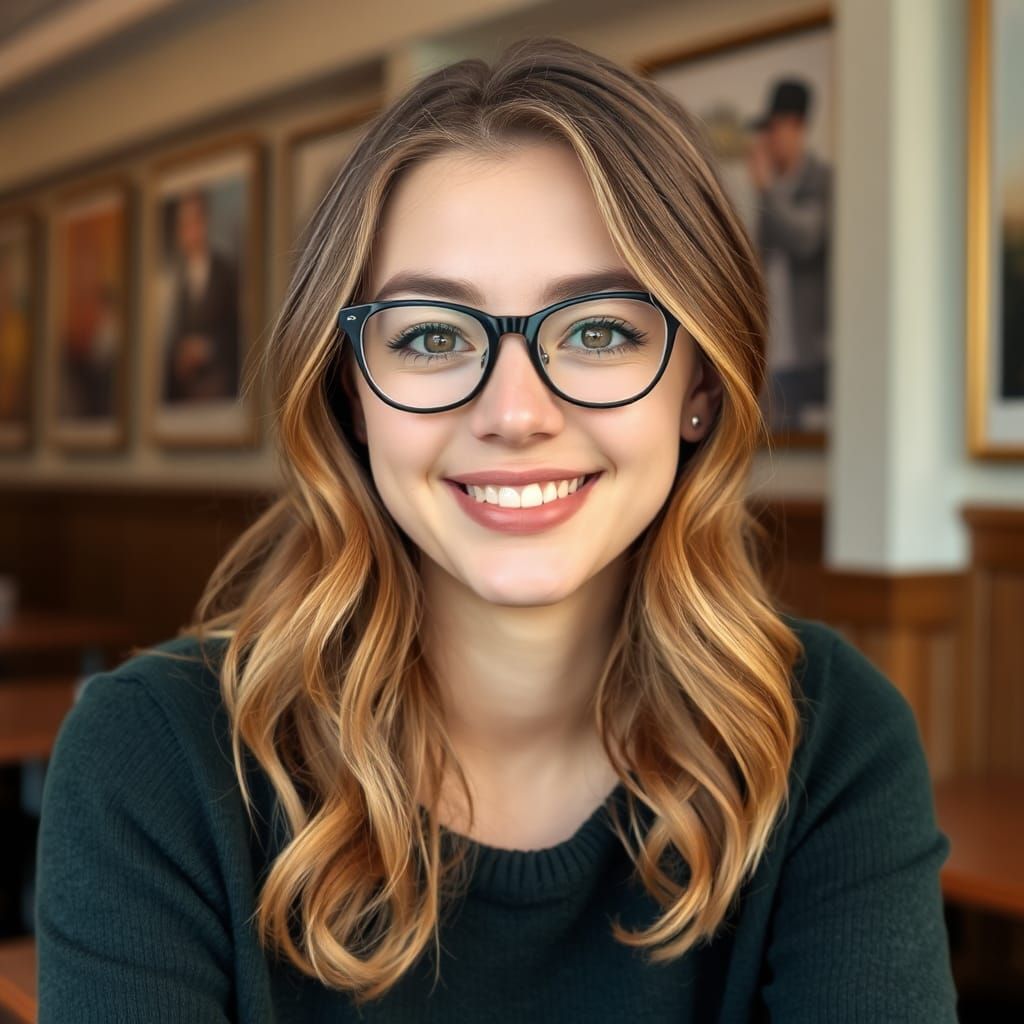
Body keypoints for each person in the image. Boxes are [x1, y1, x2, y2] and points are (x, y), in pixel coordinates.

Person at [35, 37, 958, 1021]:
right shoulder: (153, 758)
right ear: (352, 391)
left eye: (598, 329)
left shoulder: (828, 741)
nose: (514, 412)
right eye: (431, 334)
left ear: (697, 382)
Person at [746, 77, 832, 434]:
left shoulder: (823, 181)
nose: (767, 140)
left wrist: (767, 189)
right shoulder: (774, 191)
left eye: (774, 128)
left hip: (813, 354)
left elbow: (806, 239)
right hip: (774, 358)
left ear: (797, 127)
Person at [161, 188, 240, 404]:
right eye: (183, 225)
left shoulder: (226, 272)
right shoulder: (176, 280)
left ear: (205, 222)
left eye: (193, 221)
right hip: (184, 390)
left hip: (220, 385)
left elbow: (239, 333)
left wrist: (207, 349)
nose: (189, 231)